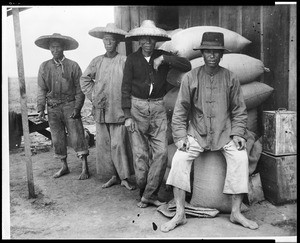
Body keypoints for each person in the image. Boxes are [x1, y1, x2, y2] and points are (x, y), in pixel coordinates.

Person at [160, 32, 259, 232]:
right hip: (197, 133)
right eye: (207, 52)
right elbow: (180, 110)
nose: (212, 56)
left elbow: (239, 110)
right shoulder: (191, 77)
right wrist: (180, 137)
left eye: (216, 52)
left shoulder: (231, 77)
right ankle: (180, 213)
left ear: (222, 55)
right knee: (179, 160)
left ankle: (236, 212)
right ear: (202, 54)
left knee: (240, 158)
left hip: (225, 133)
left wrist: (238, 133)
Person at [122, 20, 191, 208]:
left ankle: (149, 194)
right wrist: (127, 116)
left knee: (160, 153)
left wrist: (165, 60)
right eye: (144, 39)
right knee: (140, 155)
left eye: (151, 39)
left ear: (156, 41)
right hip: (137, 109)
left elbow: (186, 65)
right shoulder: (132, 59)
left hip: (159, 108)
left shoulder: (162, 55)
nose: (148, 43)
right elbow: (125, 87)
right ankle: (144, 191)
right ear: (139, 40)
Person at [80, 23, 135, 190]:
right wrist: (94, 96)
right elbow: (84, 80)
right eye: (105, 40)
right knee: (104, 145)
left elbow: (131, 84)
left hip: (118, 110)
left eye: (111, 40)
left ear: (117, 42)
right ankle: (112, 176)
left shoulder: (124, 61)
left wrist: (128, 105)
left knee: (119, 144)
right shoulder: (97, 61)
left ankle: (124, 177)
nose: (108, 43)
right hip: (102, 109)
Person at [35, 33, 89, 180]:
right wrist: (41, 108)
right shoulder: (44, 67)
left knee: (77, 134)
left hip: (70, 105)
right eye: (52, 47)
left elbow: (80, 89)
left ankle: (84, 166)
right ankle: (64, 166)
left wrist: (77, 108)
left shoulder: (73, 66)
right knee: (57, 138)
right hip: (52, 107)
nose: (55, 50)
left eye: (58, 47)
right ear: (49, 49)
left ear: (63, 48)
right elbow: (41, 89)